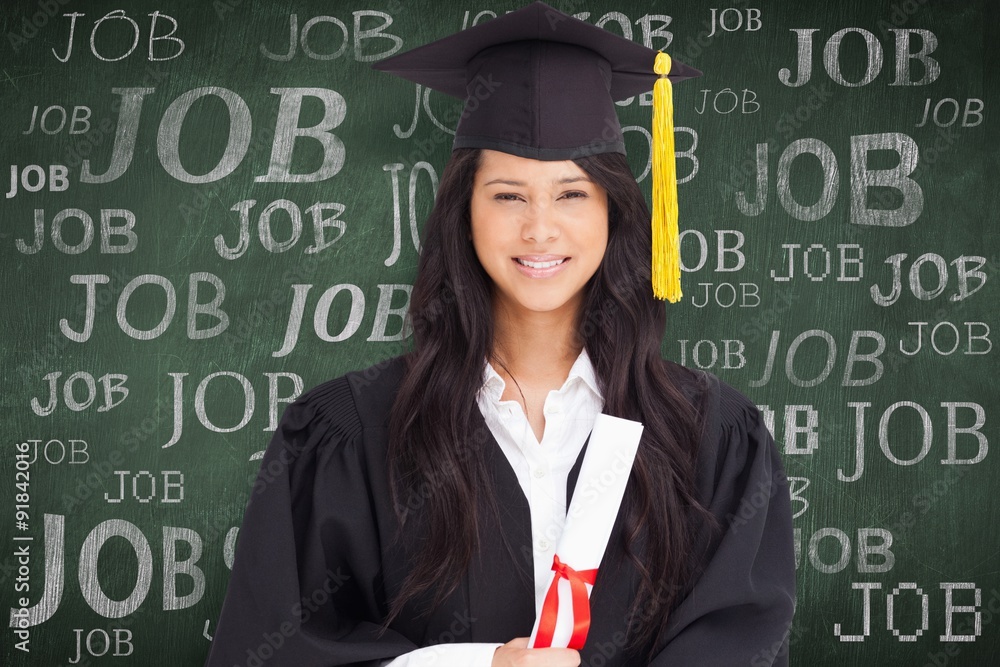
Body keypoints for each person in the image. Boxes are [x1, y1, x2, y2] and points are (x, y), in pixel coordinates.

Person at [205, 3, 795, 666]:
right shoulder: (348, 433)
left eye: (572, 194)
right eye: (508, 195)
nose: (540, 228)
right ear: (464, 212)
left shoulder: (713, 435)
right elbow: (270, 650)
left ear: (614, 212)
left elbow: (741, 641)